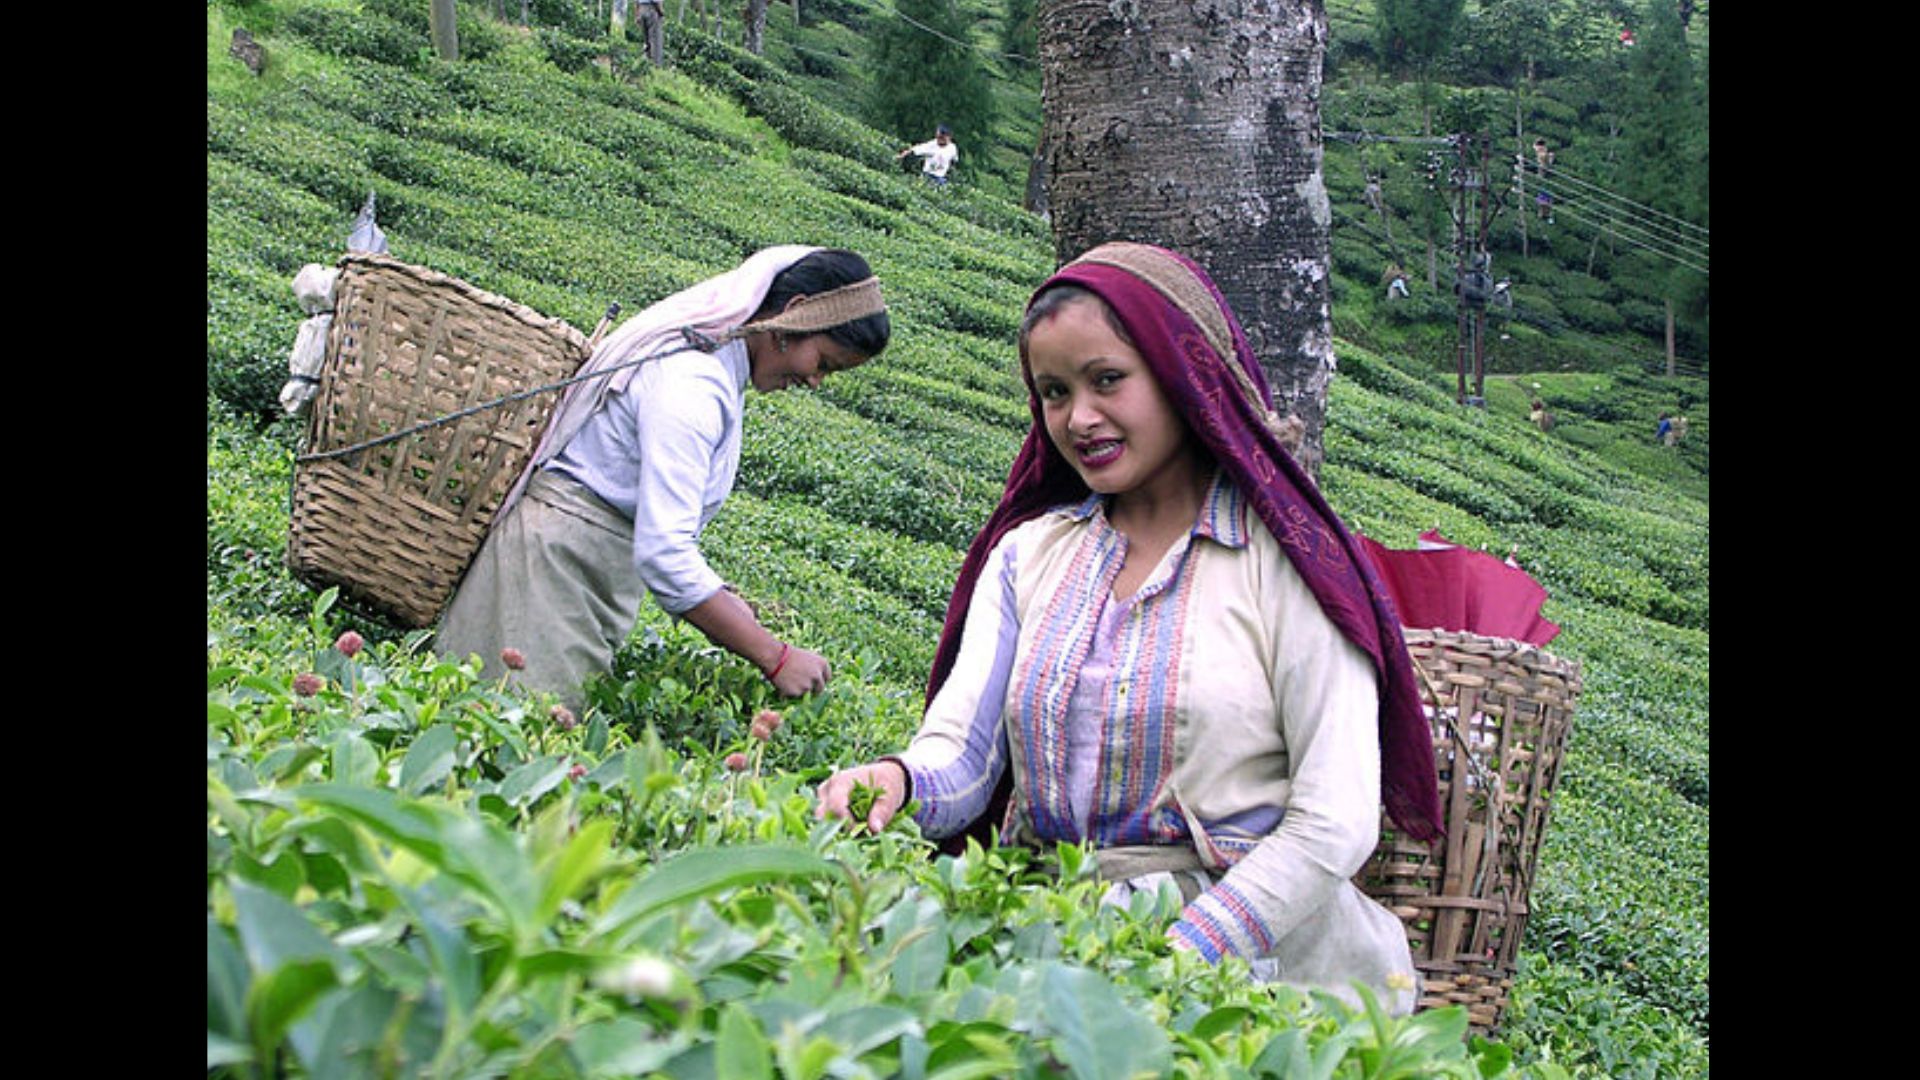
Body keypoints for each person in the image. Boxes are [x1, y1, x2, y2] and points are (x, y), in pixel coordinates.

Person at [814, 242, 1444, 1015]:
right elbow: (966, 758)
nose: (1078, 418)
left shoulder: (1290, 565)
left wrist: (1172, 951)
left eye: (1108, 379)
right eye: (1052, 392)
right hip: (1051, 950)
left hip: (1261, 978)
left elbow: (1333, 822)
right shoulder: (1028, 556)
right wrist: (899, 784)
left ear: (1184, 375)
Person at [437, 247, 891, 714]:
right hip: (548, 574)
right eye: (824, 363)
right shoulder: (693, 382)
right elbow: (664, 553)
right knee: (506, 744)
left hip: (577, 571)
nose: (816, 381)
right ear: (794, 314)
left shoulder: (716, 372)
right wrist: (774, 657)